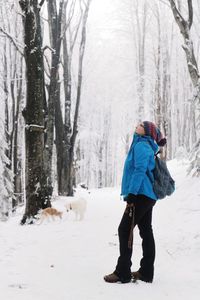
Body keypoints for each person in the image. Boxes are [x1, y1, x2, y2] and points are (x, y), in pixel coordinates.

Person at [104, 121, 166, 284]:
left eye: (142, 125)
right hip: (147, 195)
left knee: (124, 229)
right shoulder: (143, 145)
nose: (138, 125)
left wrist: (132, 193)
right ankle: (146, 272)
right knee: (146, 230)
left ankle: (122, 272)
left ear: (146, 132)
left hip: (141, 194)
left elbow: (139, 170)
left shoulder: (142, 146)